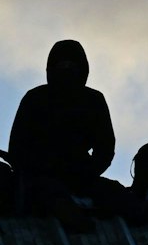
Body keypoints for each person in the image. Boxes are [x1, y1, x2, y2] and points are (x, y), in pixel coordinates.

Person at [7, 39, 124, 232]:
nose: (67, 70)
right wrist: (34, 169)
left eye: (72, 65)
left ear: (82, 69)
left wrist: (89, 172)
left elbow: (105, 147)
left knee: (115, 192)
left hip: (81, 173)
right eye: (61, 65)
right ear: (51, 69)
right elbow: (17, 147)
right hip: (41, 174)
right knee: (46, 192)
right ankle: (70, 214)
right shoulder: (35, 98)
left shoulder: (93, 100)